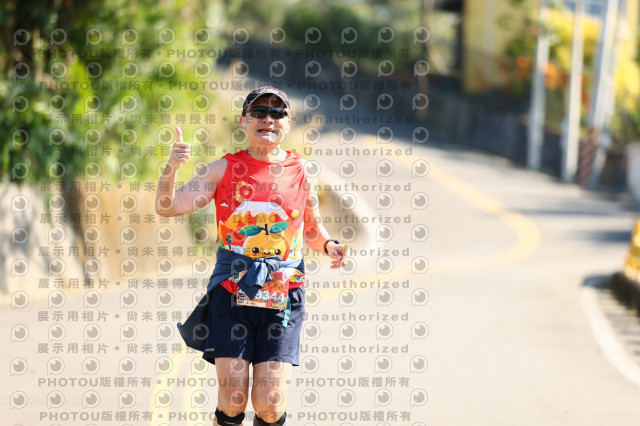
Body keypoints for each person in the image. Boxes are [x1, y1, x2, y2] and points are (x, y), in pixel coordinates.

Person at [155, 86, 348, 426]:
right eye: (258, 112)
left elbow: (311, 228)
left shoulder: (302, 171)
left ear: (288, 123)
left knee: (269, 402)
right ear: (244, 121)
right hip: (232, 292)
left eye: (277, 113)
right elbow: (167, 206)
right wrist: (172, 167)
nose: (268, 119)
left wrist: (329, 244)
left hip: (283, 294)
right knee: (233, 400)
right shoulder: (223, 169)